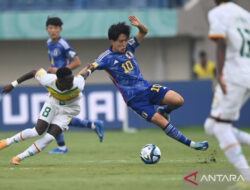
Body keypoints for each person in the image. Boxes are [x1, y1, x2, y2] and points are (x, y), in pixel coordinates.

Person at [78, 15, 209, 151]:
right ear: (112, 41)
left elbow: (144, 32)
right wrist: (76, 78)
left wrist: (139, 25)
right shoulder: (106, 57)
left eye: (125, 41)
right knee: (161, 122)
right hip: (135, 100)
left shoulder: (129, 47)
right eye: (120, 42)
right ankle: (193, 144)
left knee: (178, 100)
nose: (123, 44)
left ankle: (164, 110)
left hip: (148, 88)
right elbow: (90, 67)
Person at [0, 66, 93, 165]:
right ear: (60, 81)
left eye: (72, 80)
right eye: (69, 82)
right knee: (36, 131)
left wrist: (91, 68)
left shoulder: (78, 83)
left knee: (49, 138)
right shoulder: (48, 79)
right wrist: (13, 84)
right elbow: (33, 72)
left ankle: (19, 158)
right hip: (52, 104)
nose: (71, 84)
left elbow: (85, 74)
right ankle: (6, 142)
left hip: (68, 111)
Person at [204, 0, 250, 183]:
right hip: (246, 73)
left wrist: (220, 74)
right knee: (211, 126)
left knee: (221, 128)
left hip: (233, 75)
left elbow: (221, 43)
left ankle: (247, 176)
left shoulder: (218, 13)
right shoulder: (245, 14)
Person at [45, 17, 104, 154]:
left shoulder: (63, 44)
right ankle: (93, 125)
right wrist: (49, 73)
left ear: (60, 29)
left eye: (56, 28)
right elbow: (55, 64)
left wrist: (60, 71)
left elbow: (77, 62)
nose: (53, 30)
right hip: (55, 82)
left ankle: (62, 147)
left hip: (63, 84)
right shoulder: (49, 43)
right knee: (58, 115)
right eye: (50, 28)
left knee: (55, 115)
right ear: (47, 29)